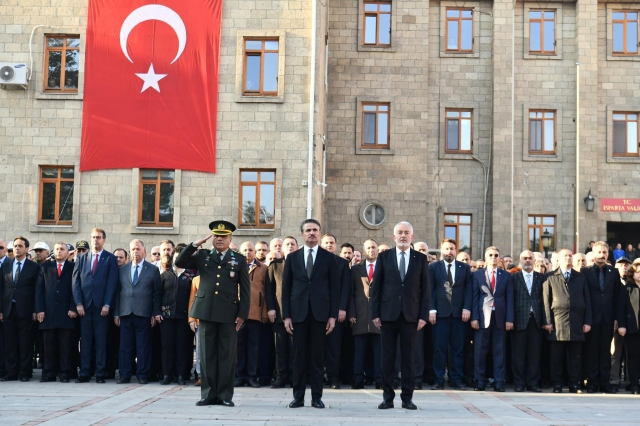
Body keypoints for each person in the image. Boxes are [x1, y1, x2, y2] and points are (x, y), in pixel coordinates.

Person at [175, 220, 250, 407]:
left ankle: (225, 395)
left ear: (230, 238)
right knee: (207, 356)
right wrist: (194, 245)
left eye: (223, 236)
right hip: (206, 311)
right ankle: (208, 394)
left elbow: (245, 289)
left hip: (229, 313)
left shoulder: (238, 259)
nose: (219, 239)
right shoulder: (203, 255)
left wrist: (243, 314)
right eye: (216, 236)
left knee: (226, 356)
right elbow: (179, 262)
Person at [370, 221, 429, 410]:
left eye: (406, 233)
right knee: (387, 358)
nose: (403, 236)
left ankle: (407, 398)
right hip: (387, 315)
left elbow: (425, 290)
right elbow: (376, 287)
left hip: (411, 316)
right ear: (393, 237)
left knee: (408, 359)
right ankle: (388, 398)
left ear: (412, 237)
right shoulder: (384, 256)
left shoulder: (420, 259)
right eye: (399, 233)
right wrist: (375, 313)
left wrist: (423, 316)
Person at [282, 219, 339, 409]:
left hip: (320, 314)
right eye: (308, 230)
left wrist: (332, 316)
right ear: (302, 234)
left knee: (317, 357)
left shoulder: (329, 258)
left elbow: (334, 288)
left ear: (320, 233)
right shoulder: (292, 258)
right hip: (297, 314)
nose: (312, 233)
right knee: (298, 357)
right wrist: (286, 316)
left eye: (315, 230)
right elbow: (286, 288)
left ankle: (317, 397)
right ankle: (298, 397)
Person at [72, 229, 118, 383]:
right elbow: (75, 282)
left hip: (101, 308)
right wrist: (78, 303)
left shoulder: (110, 258)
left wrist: (107, 304)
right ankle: (84, 372)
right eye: (93, 237)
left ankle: (100, 373)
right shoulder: (82, 257)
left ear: (104, 240)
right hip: (84, 307)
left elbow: (112, 283)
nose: (95, 240)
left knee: (101, 341)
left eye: (98, 237)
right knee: (85, 341)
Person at [543, 249, 592, 394]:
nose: (568, 258)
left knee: (575, 357)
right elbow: (546, 300)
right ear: (558, 259)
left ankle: (574, 384)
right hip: (557, 322)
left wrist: (587, 321)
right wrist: (547, 321)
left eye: (570, 256)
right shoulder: (550, 277)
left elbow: (587, 300)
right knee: (556, 356)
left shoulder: (580, 277)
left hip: (576, 321)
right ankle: (557, 384)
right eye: (565, 256)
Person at [113, 240, 162, 384]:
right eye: (133, 249)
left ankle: (142, 374)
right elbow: (117, 293)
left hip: (144, 314)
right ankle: (125, 374)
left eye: (138, 249)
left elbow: (157, 294)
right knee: (125, 346)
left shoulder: (152, 270)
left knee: (143, 346)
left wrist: (155, 312)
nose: (135, 252)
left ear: (144, 251)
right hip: (125, 313)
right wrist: (116, 313)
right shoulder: (122, 269)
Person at [429, 238, 472, 390]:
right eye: (446, 249)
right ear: (442, 250)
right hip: (439, 315)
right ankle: (439, 379)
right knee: (439, 349)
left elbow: (468, 289)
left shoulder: (464, 268)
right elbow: (431, 290)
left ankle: (456, 379)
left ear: (456, 251)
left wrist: (467, 308)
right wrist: (431, 309)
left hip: (459, 315)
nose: (449, 251)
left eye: (452, 249)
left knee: (458, 349)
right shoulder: (434, 267)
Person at [471, 246, 514, 392]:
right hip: (483, 317)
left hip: (500, 318)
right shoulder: (477, 275)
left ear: (499, 257)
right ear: (485, 257)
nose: (493, 257)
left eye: (496, 255)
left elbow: (509, 298)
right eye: (490, 255)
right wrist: (474, 318)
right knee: (480, 352)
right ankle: (480, 382)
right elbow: (475, 297)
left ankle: (499, 382)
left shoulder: (506, 275)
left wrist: (509, 319)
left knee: (499, 351)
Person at [581, 241, 620, 394]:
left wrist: (616, 318)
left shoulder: (614, 272)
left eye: (604, 252)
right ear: (593, 253)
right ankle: (592, 383)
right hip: (592, 318)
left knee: (606, 352)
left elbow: (617, 296)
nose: (602, 255)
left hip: (608, 318)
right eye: (599, 252)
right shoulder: (585, 272)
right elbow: (584, 296)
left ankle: (605, 383)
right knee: (592, 351)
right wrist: (586, 319)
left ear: (608, 254)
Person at [36, 242, 77, 383]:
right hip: (48, 314)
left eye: (62, 249)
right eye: (57, 249)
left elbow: (75, 289)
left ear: (67, 253)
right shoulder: (45, 267)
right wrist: (40, 309)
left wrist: (73, 307)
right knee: (48, 346)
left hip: (66, 314)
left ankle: (64, 373)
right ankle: (48, 373)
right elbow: (39, 291)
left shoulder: (73, 268)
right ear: (53, 252)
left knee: (65, 346)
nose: (59, 251)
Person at [0, 237, 40, 381]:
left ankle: (24, 372)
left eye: (20, 246)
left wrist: (36, 309)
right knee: (10, 343)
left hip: (26, 310)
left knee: (25, 343)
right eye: (15, 246)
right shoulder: (6, 266)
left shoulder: (34, 267)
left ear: (26, 249)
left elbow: (37, 290)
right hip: (9, 309)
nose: (17, 248)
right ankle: (12, 372)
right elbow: (1, 288)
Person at [348, 239, 382, 389]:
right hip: (360, 315)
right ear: (363, 251)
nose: (371, 250)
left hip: (378, 317)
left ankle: (380, 380)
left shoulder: (383, 268)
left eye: (374, 247)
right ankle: (357, 379)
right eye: (368, 248)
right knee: (359, 351)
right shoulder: (355, 269)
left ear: (378, 250)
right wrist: (351, 313)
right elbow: (351, 293)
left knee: (379, 351)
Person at [235, 241, 268, 388]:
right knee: (238, 347)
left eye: (250, 250)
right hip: (237, 314)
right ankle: (238, 376)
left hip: (256, 313)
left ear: (255, 252)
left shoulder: (264, 269)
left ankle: (252, 376)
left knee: (254, 348)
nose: (247, 252)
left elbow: (267, 293)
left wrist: (265, 313)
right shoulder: (234, 267)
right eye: (244, 250)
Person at [266, 236, 298, 388]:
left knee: (294, 348)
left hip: (298, 314)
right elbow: (269, 289)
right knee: (280, 348)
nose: (290, 246)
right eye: (287, 244)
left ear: (297, 247)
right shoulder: (275, 265)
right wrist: (271, 308)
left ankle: (293, 376)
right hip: (279, 313)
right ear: (282, 248)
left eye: (293, 244)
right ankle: (281, 376)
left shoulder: (302, 264)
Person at [510, 250, 544, 392]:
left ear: (534, 261)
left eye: (530, 258)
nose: (528, 260)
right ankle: (519, 383)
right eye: (525, 258)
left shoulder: (541, 278)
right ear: (520, 260)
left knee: (535, 354)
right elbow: (510, 300)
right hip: (519, 320)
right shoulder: (513, 278)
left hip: (536, 320)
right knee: (518, 354)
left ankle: (533, 382)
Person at [320, 233, 350, 390]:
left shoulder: (342, 263)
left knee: (334, 347)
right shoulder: (316, 261)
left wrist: (342, 308)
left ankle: (333, 378)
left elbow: (346, 288)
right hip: (317, 311)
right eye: (326, 243)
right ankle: (317, 377)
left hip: (336, 312)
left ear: (336, 245)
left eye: (332, 242)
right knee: (317, 347)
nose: (329, 245)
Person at [159, 254, 195, 385]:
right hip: (167, 316)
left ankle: (181, 375)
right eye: (176, 257)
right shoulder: (165, 275)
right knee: (167, 346)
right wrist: (157, 312)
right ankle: (167, 374)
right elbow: (158, 294)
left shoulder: (190, 276)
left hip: (184, 317)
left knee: (182, 346)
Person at [616, 264, 640, 394]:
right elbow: (621, 308)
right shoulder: (627, 289)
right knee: (633, 357)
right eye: (638, 272)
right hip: (632, 328)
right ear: (632, 274)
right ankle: (634, 384)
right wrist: (622, 325)